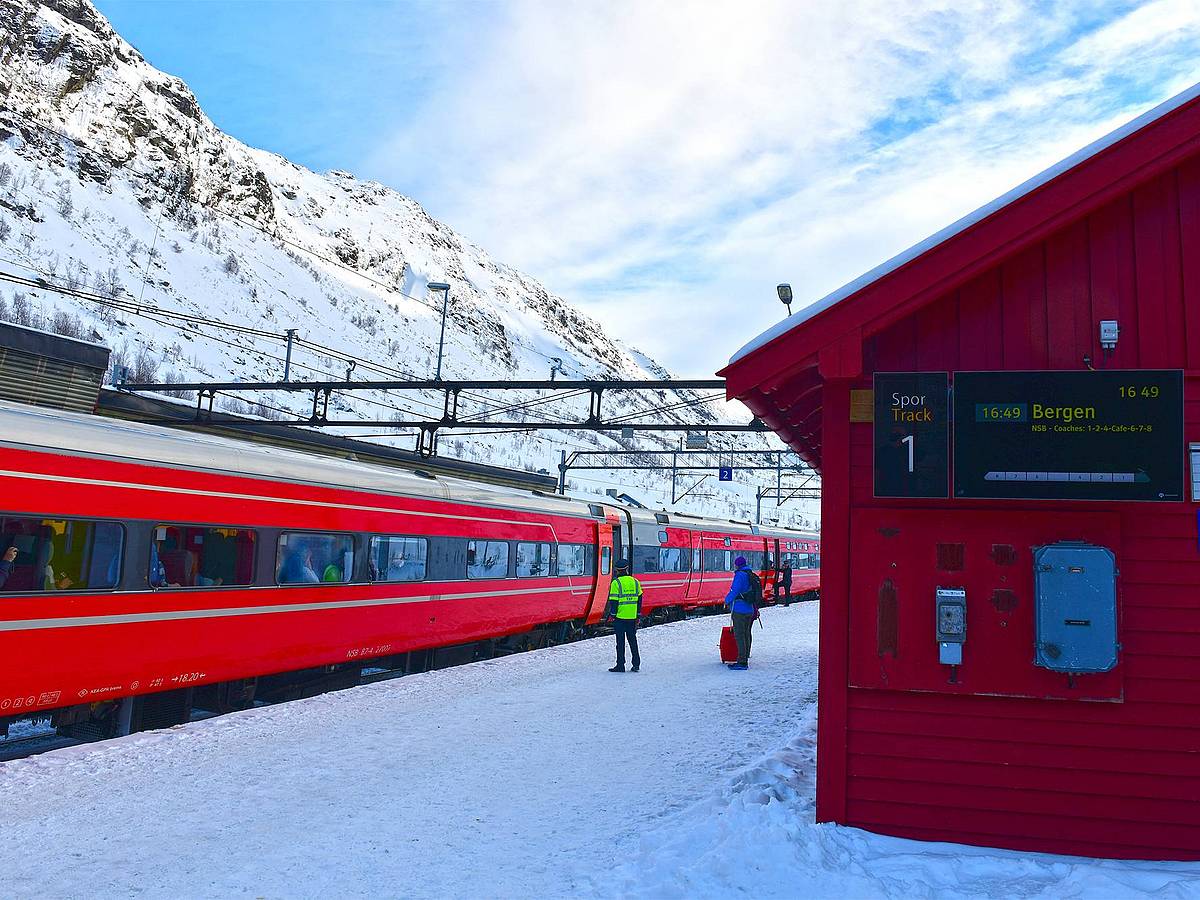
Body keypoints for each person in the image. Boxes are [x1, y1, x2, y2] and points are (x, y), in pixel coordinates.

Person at [604, 557, 643, 673]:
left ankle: (620, 665)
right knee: (633, 641)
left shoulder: (616, 583)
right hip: (632, 617)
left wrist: (613, 615)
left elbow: (614, 601)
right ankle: (636, 664)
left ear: (617, 570)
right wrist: (638, 614)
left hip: (620, 618)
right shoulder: (635, 582)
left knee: (620, 643)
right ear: (626, 569)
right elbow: (640, 599)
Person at [725, 555, 759, 670]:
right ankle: (746, 655)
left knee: (739, 636)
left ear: (737, 565)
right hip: (750, 609)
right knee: (746, 633)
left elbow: (735, 590)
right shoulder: (750, 574)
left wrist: (726, 600)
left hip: (740, 609)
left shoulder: (740, 575)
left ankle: (742, 662)